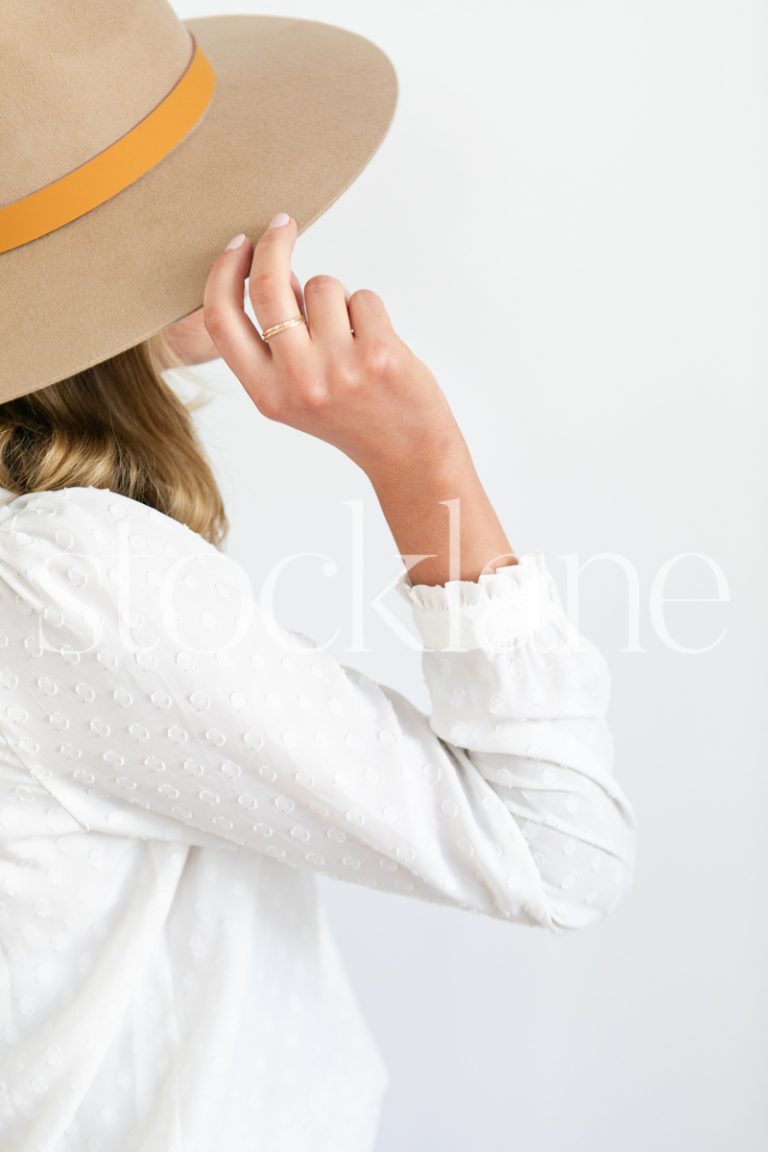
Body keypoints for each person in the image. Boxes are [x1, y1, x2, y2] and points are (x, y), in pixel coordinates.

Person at [0, 211, 637, 1151]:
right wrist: (419, 458)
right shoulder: (65, 578)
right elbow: (558, 850)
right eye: (163, 193)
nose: (233, 217)